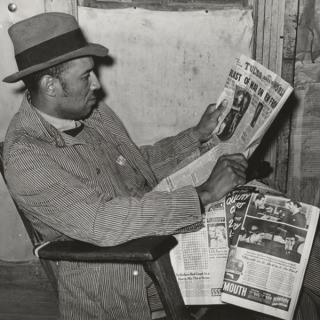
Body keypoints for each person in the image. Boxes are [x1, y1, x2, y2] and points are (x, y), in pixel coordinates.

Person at [2, 13, 248, 320]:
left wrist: (197, 135)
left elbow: (135, 164)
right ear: (51, 86)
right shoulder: (27, 157)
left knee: (276, 220)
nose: (97, 85)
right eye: (85, 77)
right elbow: (103, 223)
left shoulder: (91, 113)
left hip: (158, 237)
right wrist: (204, 194)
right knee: (283, 255)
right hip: (133, 274)